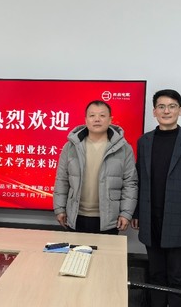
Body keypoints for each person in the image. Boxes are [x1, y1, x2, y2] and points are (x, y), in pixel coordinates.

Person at [132, 89, 181, 307]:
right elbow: (139, 180)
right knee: (155, 273)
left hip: (179, 220)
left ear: (180, 111)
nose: (166, 111)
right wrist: (137, 212)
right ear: (154, 111)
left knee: (176, 275)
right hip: (150, 218)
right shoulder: (144, 141)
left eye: (172, 106)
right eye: (161, 106)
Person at [53, 100, 138, 234]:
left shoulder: (124, 148)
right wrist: (59, 209)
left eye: (102, 115)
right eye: (92, 115)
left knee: (106, 249)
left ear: (110, 120)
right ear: (86, 120)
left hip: (109, 219)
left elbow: (130, 183)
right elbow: (62, 180)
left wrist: (126, 213)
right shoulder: (70, 147)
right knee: (76, 249)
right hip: (76, 216)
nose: (97, 119)